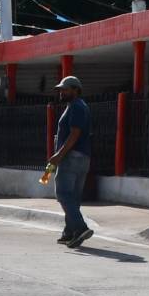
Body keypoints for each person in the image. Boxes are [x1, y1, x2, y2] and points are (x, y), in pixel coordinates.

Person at [44, 76, 94, 247]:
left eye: (65, 89)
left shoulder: (77, 107)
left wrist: (59, 155)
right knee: (73, 197)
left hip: (71, 158)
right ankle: (70, 232)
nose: (61, 92)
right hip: (82, 158)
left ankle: (80, 228)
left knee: (63, 194)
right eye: (60, 89)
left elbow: (74, 134)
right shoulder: (76, 106)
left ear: (76, 90)